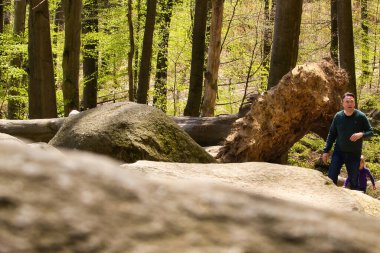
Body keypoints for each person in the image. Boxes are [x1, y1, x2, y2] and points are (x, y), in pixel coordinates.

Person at [322, 92, 373, 189]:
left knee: (354, 182)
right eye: (347, 101)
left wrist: (361, 134)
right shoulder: (338, 116)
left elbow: (371, 132)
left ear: (354, 103)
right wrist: (326, 151)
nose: (349, 103)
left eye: (351, 101)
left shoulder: (361, 116)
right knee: (331, 178)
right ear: (343, 103)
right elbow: (332, 134)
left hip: (354, 154)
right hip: (339, 152)